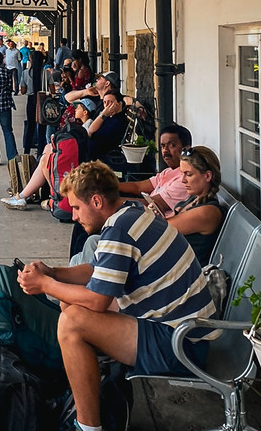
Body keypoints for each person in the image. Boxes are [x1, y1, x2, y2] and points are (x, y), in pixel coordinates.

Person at [17, 161, 219, 431]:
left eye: (76, 207)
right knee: (70, 304)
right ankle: (89, 390)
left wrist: (45, 284)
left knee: (73, 322)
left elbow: (97, 300)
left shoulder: (120, 230)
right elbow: (97, 270)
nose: (74, 217)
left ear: (97, 201)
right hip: (184, 331)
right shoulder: (131, 212)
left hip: (182, 343)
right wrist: (53, 272)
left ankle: (88, 426)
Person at [0, 98, 94, 211]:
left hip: (76, 161)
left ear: (85, 112)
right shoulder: (80, 126)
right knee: (46, 154)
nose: (75, 110)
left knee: (45, 161)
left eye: (78, 107)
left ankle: (34, 195)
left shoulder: (87, 127)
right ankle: (26, 195)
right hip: (75, 160)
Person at [118, 124, 192, 218]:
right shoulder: (168, 171)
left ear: (185, 149)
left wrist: (112, 201)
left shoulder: (184, 179)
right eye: (163, 146)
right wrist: (111, 186)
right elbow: (138, 187)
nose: (165, 150)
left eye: (172, 145)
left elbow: (150, 203)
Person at [169, 146, 226, 266]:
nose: (183, 180)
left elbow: (160, 230)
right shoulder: (195, 199)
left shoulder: (207, 212)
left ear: (207, 176)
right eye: (182, 174)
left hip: (186, 277)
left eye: (188, 174)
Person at [20, 50, 55, 156]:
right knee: (42, 127)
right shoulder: (46, 73)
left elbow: (23, 91)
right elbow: (53, 90)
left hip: (31, 101)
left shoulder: (25, 73)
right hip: (43, 101)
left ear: (31, 59)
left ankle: (26, 151)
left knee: (30, 126)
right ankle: (40, 152)